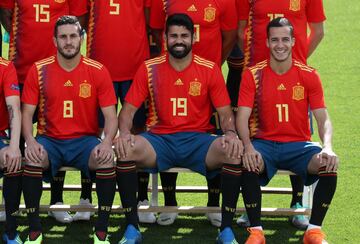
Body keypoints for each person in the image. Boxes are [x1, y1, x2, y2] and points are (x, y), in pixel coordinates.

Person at [113, 13, 243, 243]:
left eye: (184, 35)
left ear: (193, 38)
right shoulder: (149, 68)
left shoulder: (209, 68)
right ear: (164, 38)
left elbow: (225, 114)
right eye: (173, 36)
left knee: (232, 152)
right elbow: (127, 112)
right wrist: (123, 134)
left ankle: (226, 229)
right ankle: (132, 228)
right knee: (125, 150)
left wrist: (231, 134)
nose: (179, 40)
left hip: (198, 140)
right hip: (159, 140)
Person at [236, 17, 338, 243]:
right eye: (275, 40)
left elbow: (323, 119)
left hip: (299, 146)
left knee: (329, 164)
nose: (279, 45)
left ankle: (313, 230)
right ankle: (256, 231)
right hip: (264, 144)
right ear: (267, 43)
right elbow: (241, 117)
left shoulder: (309, 75)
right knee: (248, 161)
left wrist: (328, 146)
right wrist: (248, 146)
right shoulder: (253, 74)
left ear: (293, 42)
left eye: (284, 39)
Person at [21, 16, 118, 244]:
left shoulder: (98, 70)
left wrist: (105, 142)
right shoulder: (39, 70)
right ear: (54, 41)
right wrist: (30, 141)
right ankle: (34, 230)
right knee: (32, 158)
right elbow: (26, 114)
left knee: (106, 159)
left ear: (81, 39)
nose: (68, 41)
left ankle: (101, 230)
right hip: (49, 140)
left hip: (85, 141)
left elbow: (111, 117)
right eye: (63, 37)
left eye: (73, 36)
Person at [147, 0, 238, 227]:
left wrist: (213, 66)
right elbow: (159, 31)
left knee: (218, 138)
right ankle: (169, 203)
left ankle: (213, 204)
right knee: (168, 129)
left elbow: (229, 36)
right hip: (173, 74)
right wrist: (176, 60)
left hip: (207, 80)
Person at [0, 0, 91, 224]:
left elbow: (78, 21)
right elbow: (5, 13)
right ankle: (13, 202)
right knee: (20, 137)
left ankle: (57, 201)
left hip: (57, 71)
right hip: (21, 68)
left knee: (58, 131)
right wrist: (22, 42)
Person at [85, 0, 155, 224]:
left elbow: (147, 19)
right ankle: (86, 197)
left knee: (138, 132)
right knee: (92, 131)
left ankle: (142, 198)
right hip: (98, 65)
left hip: (135, 65)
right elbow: (81, 19)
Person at [0, 57, 22, 244]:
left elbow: (13, 107)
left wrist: (14, 146)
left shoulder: (5, 67)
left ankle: (11, 230)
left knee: (12, 160)